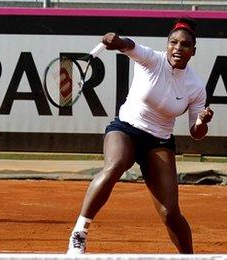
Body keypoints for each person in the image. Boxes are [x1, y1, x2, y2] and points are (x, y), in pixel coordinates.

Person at [67, 18, 214, 254]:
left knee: (169, 212)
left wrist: (201, 121)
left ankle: (189, 258)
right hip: (126, 129)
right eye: (173, 42)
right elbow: (128, 45)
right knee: (115, 166)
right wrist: (116, 41)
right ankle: (79, 232)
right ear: (167, 45)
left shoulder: (195, 86)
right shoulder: (151, 59)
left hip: (159, 141)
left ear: (193, 51)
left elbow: (197, 134)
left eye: (185, 45)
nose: (178, 48)